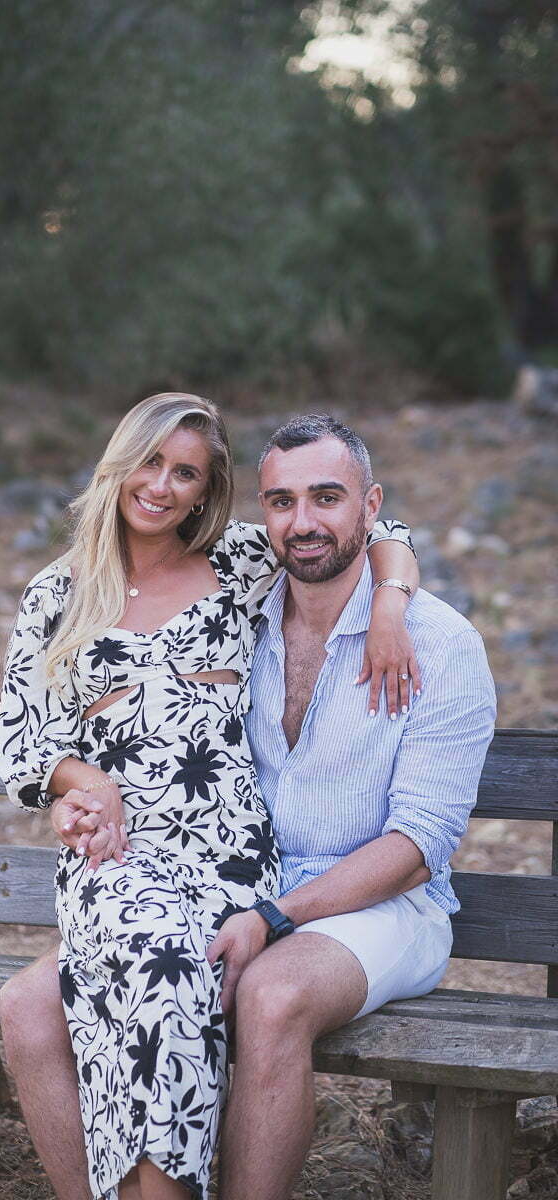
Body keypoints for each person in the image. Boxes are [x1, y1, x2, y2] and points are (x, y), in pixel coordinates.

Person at [0, 395, 419, 1200]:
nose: (161, 486)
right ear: (119, 465)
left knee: (178, 982)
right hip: (119, 854)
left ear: (204, 491)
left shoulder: (238, 562)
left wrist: (391, 605)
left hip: (230, 855)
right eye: (150, 462)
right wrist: (84, 783)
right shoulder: (58, 593)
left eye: (185, 473)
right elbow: (24, 747)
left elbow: (381, 532)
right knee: (161, 964)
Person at [204, 414, 496, 1199]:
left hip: (387, 906)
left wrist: (274, 916)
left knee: (271, 996)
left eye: (326, 498)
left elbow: (418, 848)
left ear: (371, 506)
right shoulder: (237, 616)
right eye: (281, 501)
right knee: (43, 998)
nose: (302, 522)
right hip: (242, 891)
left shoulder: (441, 645)